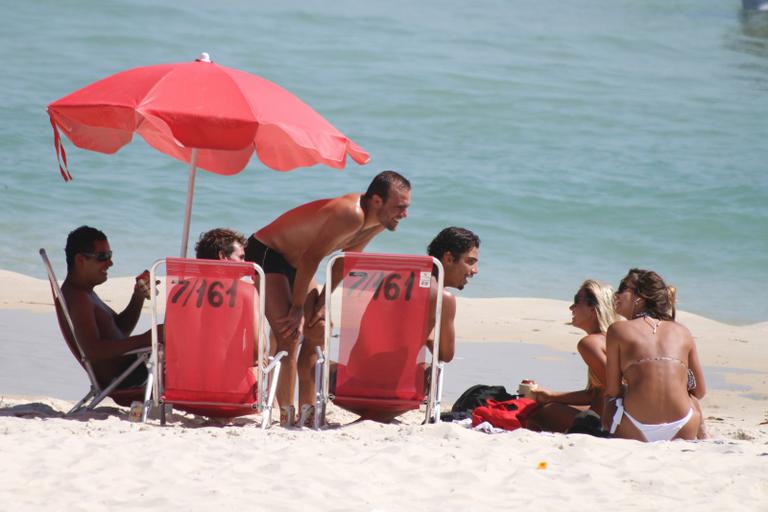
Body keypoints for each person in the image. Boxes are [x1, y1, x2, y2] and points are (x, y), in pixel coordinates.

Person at [244, 170, 412, 419]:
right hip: (269, 253)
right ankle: (286, 413)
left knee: (318, 328)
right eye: (400, 207)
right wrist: (298, 307)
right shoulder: (351, 214)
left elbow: (345, 262)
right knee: (289, 334)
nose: (404, 214)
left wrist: (322, 303)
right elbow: (313, 257)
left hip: (297, 264)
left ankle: (308, 410)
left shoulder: (379, 222)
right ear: (377, 200)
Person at [603, 268, 706, 442]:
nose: (616, 294)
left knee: (609, 401)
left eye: (622, 288)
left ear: (640, 297)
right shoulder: (682, 331)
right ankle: (704, 434)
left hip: (633, 426)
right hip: (684, 425)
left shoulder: (617, 330)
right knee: (691, 399)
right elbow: (700, 391)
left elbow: (612, 390)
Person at [61, 225, 156, 390]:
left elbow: (120, 330)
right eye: (103, 257)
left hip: (131, 369)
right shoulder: (79, 298)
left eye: (110, 255)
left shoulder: (85, 293)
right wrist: (146, 339)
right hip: (127, 377)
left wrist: (138, 296)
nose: (110, 263)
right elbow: (92, 350)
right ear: (80, 260)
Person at [527, 280, 618, 433]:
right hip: (614, 416)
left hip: (609, 423)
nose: (571, 307)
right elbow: (596, 394)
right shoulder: (611, 339)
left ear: (593, 307)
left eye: (577, 301)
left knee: (539, 414)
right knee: (548, 405)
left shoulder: (590, 343)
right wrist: (549, 395)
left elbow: (616, 390)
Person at [425, 226, 480, 363]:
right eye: (470, 262)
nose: (475, 270)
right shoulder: (442, 298)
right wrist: (428, 336)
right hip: (397, 380)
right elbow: (445, 355)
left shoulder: (400, 280)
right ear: (449, 258)